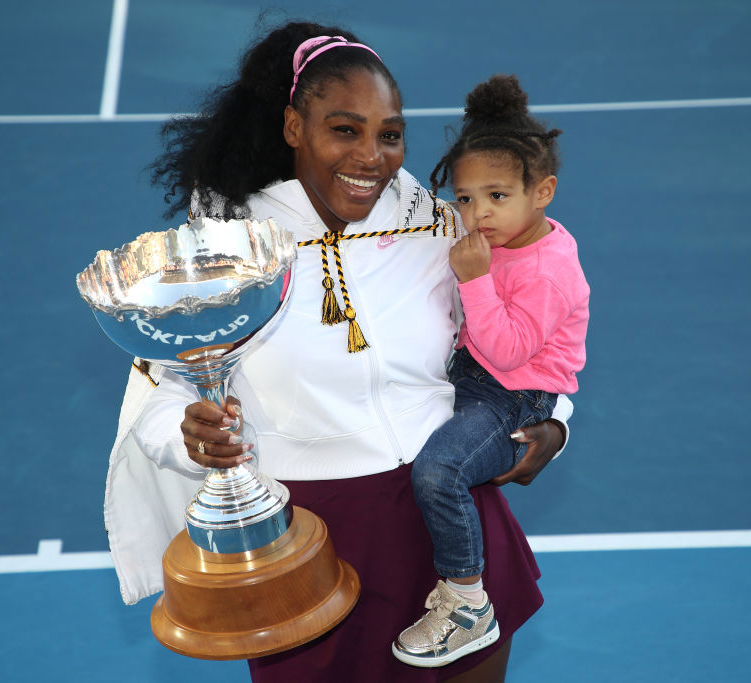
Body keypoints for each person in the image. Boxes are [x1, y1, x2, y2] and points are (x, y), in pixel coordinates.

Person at [104, 22, 574, 682]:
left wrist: (556, 425)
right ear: (295, 128)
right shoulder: (228, 248)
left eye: (390, 134)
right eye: (344, 130)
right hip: (312, 549)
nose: (373, 157)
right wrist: (190, 434)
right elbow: (162, 393)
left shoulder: (439, 225)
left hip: (451, 535)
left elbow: (533, 326)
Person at [391, 75, 590, 669]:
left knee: (439, 468)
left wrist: (476, 280)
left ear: (543, 191)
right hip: (472, 376)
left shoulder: (547, 270)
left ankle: (466, 601)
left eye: (497, 196)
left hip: (512, 396)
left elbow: (506, 352)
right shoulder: (498, 239)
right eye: (466, 198)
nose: (477, 215)